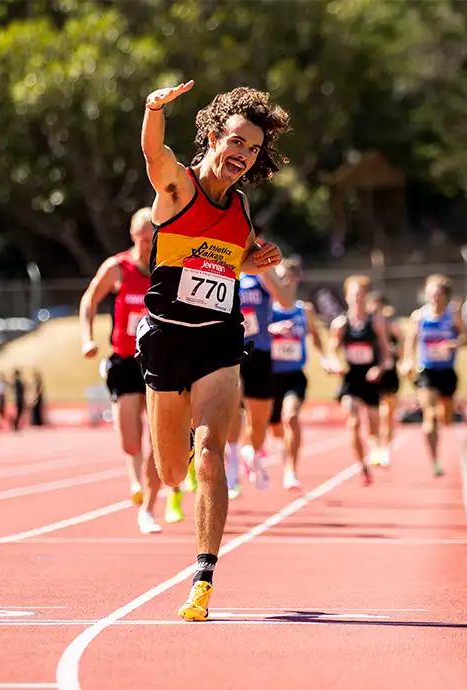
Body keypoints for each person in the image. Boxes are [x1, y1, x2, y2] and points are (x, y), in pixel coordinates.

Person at [136, 80, 290, 621]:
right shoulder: (177, 188)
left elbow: (232, 260)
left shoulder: (242, 210)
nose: (242, 156)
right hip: (166, 340)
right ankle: (170, 479)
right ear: (211, 137)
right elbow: (154, 153)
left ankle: (203, 578)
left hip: (218, 340)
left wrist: (257, 259)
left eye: (251, 149)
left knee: (211, 454)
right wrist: (154, 108)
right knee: (173, 471)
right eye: (235, 142)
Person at [79, 208, 185, 535]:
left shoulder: (167, 268)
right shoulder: (118, 269)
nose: (146, 245)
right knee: (130, 440)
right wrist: (87, 337)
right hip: (125, 361)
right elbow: (89, 300)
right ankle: (137, 479)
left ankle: (148, 508)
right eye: (141, 239)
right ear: (132, 237)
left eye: (151, 239)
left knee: (157, 439)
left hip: (158, 363)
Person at [226, 247, 296, 499]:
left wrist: (265, 270)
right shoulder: (225, 268)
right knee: (232, 404)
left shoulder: (261, 275)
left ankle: (251, 453)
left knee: (259, 421)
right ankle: (232, 467)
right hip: (231, 350)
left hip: (260, 351)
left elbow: (286, 300)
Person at [399, 274, 467, 476]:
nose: (435, 297)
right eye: (431, 293)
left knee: (446, 418)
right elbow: (410, 339)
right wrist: (407, 360)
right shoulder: (420, 316)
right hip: (427, 372)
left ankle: (440, 422)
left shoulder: (453, 316)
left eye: (439, 293)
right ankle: (434, 461)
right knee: (429, 416)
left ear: (445, 295)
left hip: (447, 373)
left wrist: (454, 343)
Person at [323, 275, 393, 486]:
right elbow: (332, 350)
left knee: (373, 423)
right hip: (351, 377)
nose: (357, 298)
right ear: (347, 297)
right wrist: (335, 364)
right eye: (353, 294)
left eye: (361, 294)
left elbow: (385, 350)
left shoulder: (376, 321)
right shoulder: (341, 323)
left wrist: (380, 368)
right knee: (353, 422)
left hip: (371, 376)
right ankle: (362, 465)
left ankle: (376, 447)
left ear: (366, 296)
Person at [266, 258, 322, 491]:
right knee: (276, 427)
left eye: (288, 277)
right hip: (269, 375)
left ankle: (291, 470)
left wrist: (326, 357)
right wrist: (273, 329)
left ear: (297, 279)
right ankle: (282, 445)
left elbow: (315, 336)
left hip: (294, 375)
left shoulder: (303, 310)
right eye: (279, 277)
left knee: (291, 417)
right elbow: (254, 332)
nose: (284, 281)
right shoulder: (268, 308)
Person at [366, 291, 402, 468]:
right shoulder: (367, 326)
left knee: (387, 414)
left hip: (389, 374)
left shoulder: (391, 325)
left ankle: (385, 448)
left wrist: (391, 350)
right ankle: (375, 448)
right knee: (373, 414)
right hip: (371, 372)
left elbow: (401, 349)